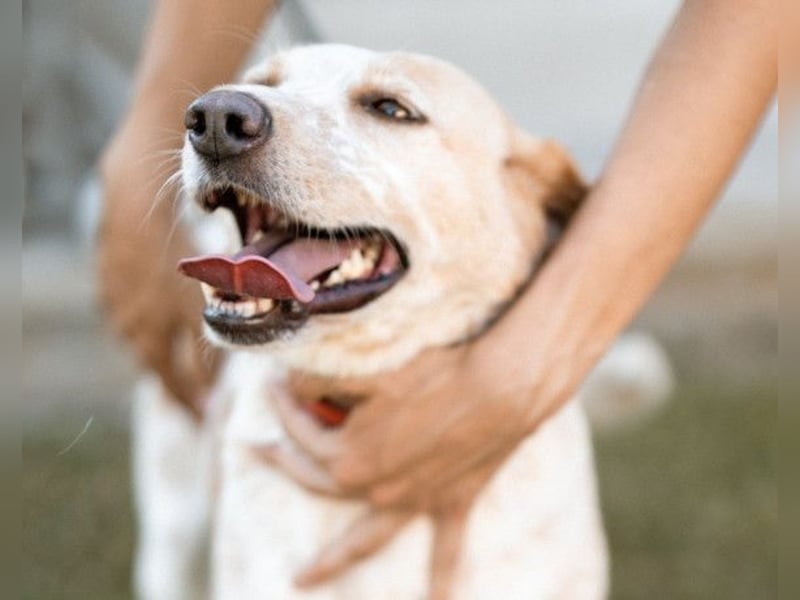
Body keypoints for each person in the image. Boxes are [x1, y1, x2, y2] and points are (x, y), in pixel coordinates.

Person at [98, 0, 776, 593]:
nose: (233, 116)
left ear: (530, 212)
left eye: (389, 108)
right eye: (262, 88)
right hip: (259, 438)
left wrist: (519, 376)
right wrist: (131, 177)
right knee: (173, 567)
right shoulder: (245, 396)